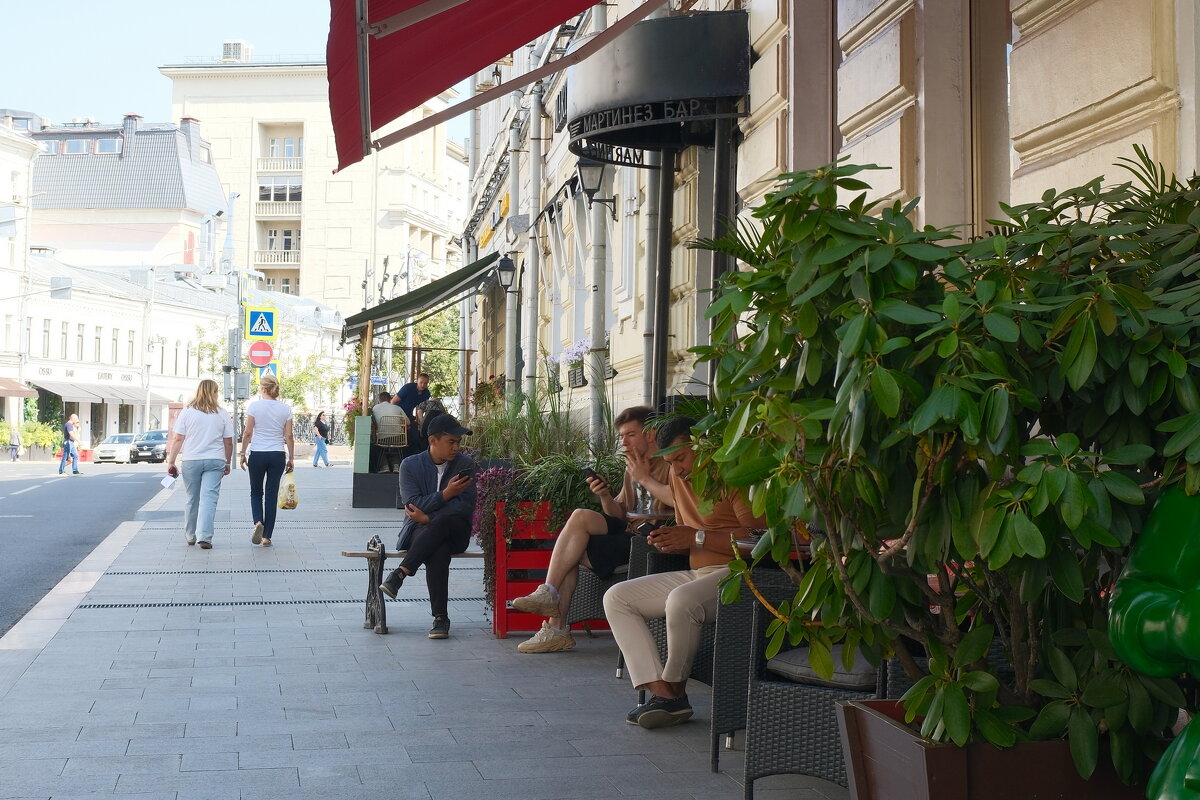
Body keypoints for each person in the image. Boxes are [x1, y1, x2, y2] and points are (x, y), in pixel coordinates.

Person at [603, 415, 767, 729]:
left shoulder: (733, 474)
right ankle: (660, 691)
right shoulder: (681, 478)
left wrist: (696, 537)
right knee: (617, 597)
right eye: (670, 462)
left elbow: (758, 541)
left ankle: (675, 692)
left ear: (703, 445)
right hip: (696, 572)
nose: (677, 469)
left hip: (738, 575)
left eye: (681, 458)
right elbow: (690, 531)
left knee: (680, 600)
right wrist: (671, 541)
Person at [512, 405, 674, 654]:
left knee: (572, 552)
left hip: (651, 539)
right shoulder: (632, 467)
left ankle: (556, 627)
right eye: (621, 436)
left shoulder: (670, 463)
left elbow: (679, 502)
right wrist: (606, 495)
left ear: (650, 433)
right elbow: (617, 514)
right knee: (580, 517)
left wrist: (644, 479)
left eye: (630, 435)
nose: (623, 442)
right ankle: (549, 596)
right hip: (629, 531)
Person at [379, 413, 477, 640]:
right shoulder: (410, 465)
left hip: (456, 531)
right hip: (420, 532)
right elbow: (413, 504)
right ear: (433, 440)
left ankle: (400, 573)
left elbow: (465, 506)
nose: (456, 447)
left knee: (443, 525)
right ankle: (441, 618)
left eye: (458, 442)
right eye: (451, 441)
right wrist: (446, 494)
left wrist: (429, 518)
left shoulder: (465, 465)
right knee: (438, 549)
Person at [165, 379, 235, 549]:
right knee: (209, 498)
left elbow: (178, 438)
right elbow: (228, 442)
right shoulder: (221, 413)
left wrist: (171, 461)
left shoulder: (187, 412)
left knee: (192, 498)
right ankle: (205, 537)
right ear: (214, 393)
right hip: (215, 460)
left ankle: (190, 535)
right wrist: (227, 462)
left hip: (191, 460)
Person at [238, 373, 294, 547]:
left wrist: (242, 453)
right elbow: (289, 435)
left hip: (258, 454)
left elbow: (247, 433)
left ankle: (258, 523)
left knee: (256, 492)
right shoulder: (285, 409)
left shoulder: (254, 407)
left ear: (263, 388)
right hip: (277, 454)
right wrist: (291, 457)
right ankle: (267, 537)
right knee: (271, 495)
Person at [393, 373, 430, 455]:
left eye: (425, 383)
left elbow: (420, 408)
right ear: (417, 381)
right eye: (421, 382)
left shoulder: (426, 393)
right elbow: (393, 401)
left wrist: (422, 422)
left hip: (409, 416)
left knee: (415, 435)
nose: (423, 385)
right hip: (397, 414)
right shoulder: (408, 388)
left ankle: (415, 455)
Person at [371, 390, 406, 472]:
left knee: (377, 447)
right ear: (390, 399)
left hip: (382, 438)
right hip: (398, 439)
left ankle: (384, 466)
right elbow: (407, 422)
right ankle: (397, 466)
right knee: (397, 447)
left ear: (379, 400)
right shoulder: (397, 408)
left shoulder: (375, 408)